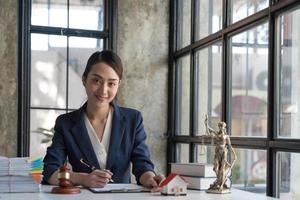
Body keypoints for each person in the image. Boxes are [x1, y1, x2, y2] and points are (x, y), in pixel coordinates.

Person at [42, 50, 165, 191]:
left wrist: (150, 178)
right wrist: (83, 179)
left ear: (119, 84)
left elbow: (142, 165)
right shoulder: (65, 123)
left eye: (111, 83)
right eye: (96, 80)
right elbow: (50, 173)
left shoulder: (133, 119)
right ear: (84, 79)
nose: (103, 90)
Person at [205, 116, 236, 192]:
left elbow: (230, 146)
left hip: (224, 152)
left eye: (222, 126)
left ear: (224, 127)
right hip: (217, 151)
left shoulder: (226, 136)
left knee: (222, 168)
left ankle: (220, 183)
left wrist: (234, 154)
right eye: (219, 126)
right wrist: (206, 124)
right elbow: (209, 131)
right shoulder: (217, 134)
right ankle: (218, 181)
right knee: (216, 167)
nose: (220, 128)